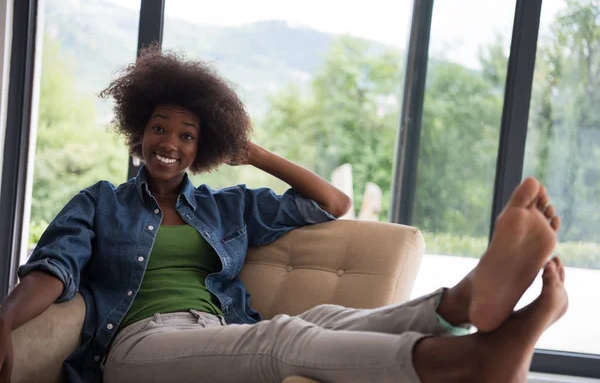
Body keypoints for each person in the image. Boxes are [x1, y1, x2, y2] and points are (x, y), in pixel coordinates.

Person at [0, 47, 566, 383]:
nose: (169, 143)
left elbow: (331, 205)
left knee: (326, 317)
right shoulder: (100, 202)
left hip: (213, 331)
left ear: (204, 147)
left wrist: (253, 153)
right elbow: (54, 269)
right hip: (135, 348)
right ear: (138, 133)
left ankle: (462, 304)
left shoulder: (226, 207)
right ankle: (464, 364)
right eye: (159, 128)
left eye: (188, 134)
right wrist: (3, 321)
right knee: (285, 338)